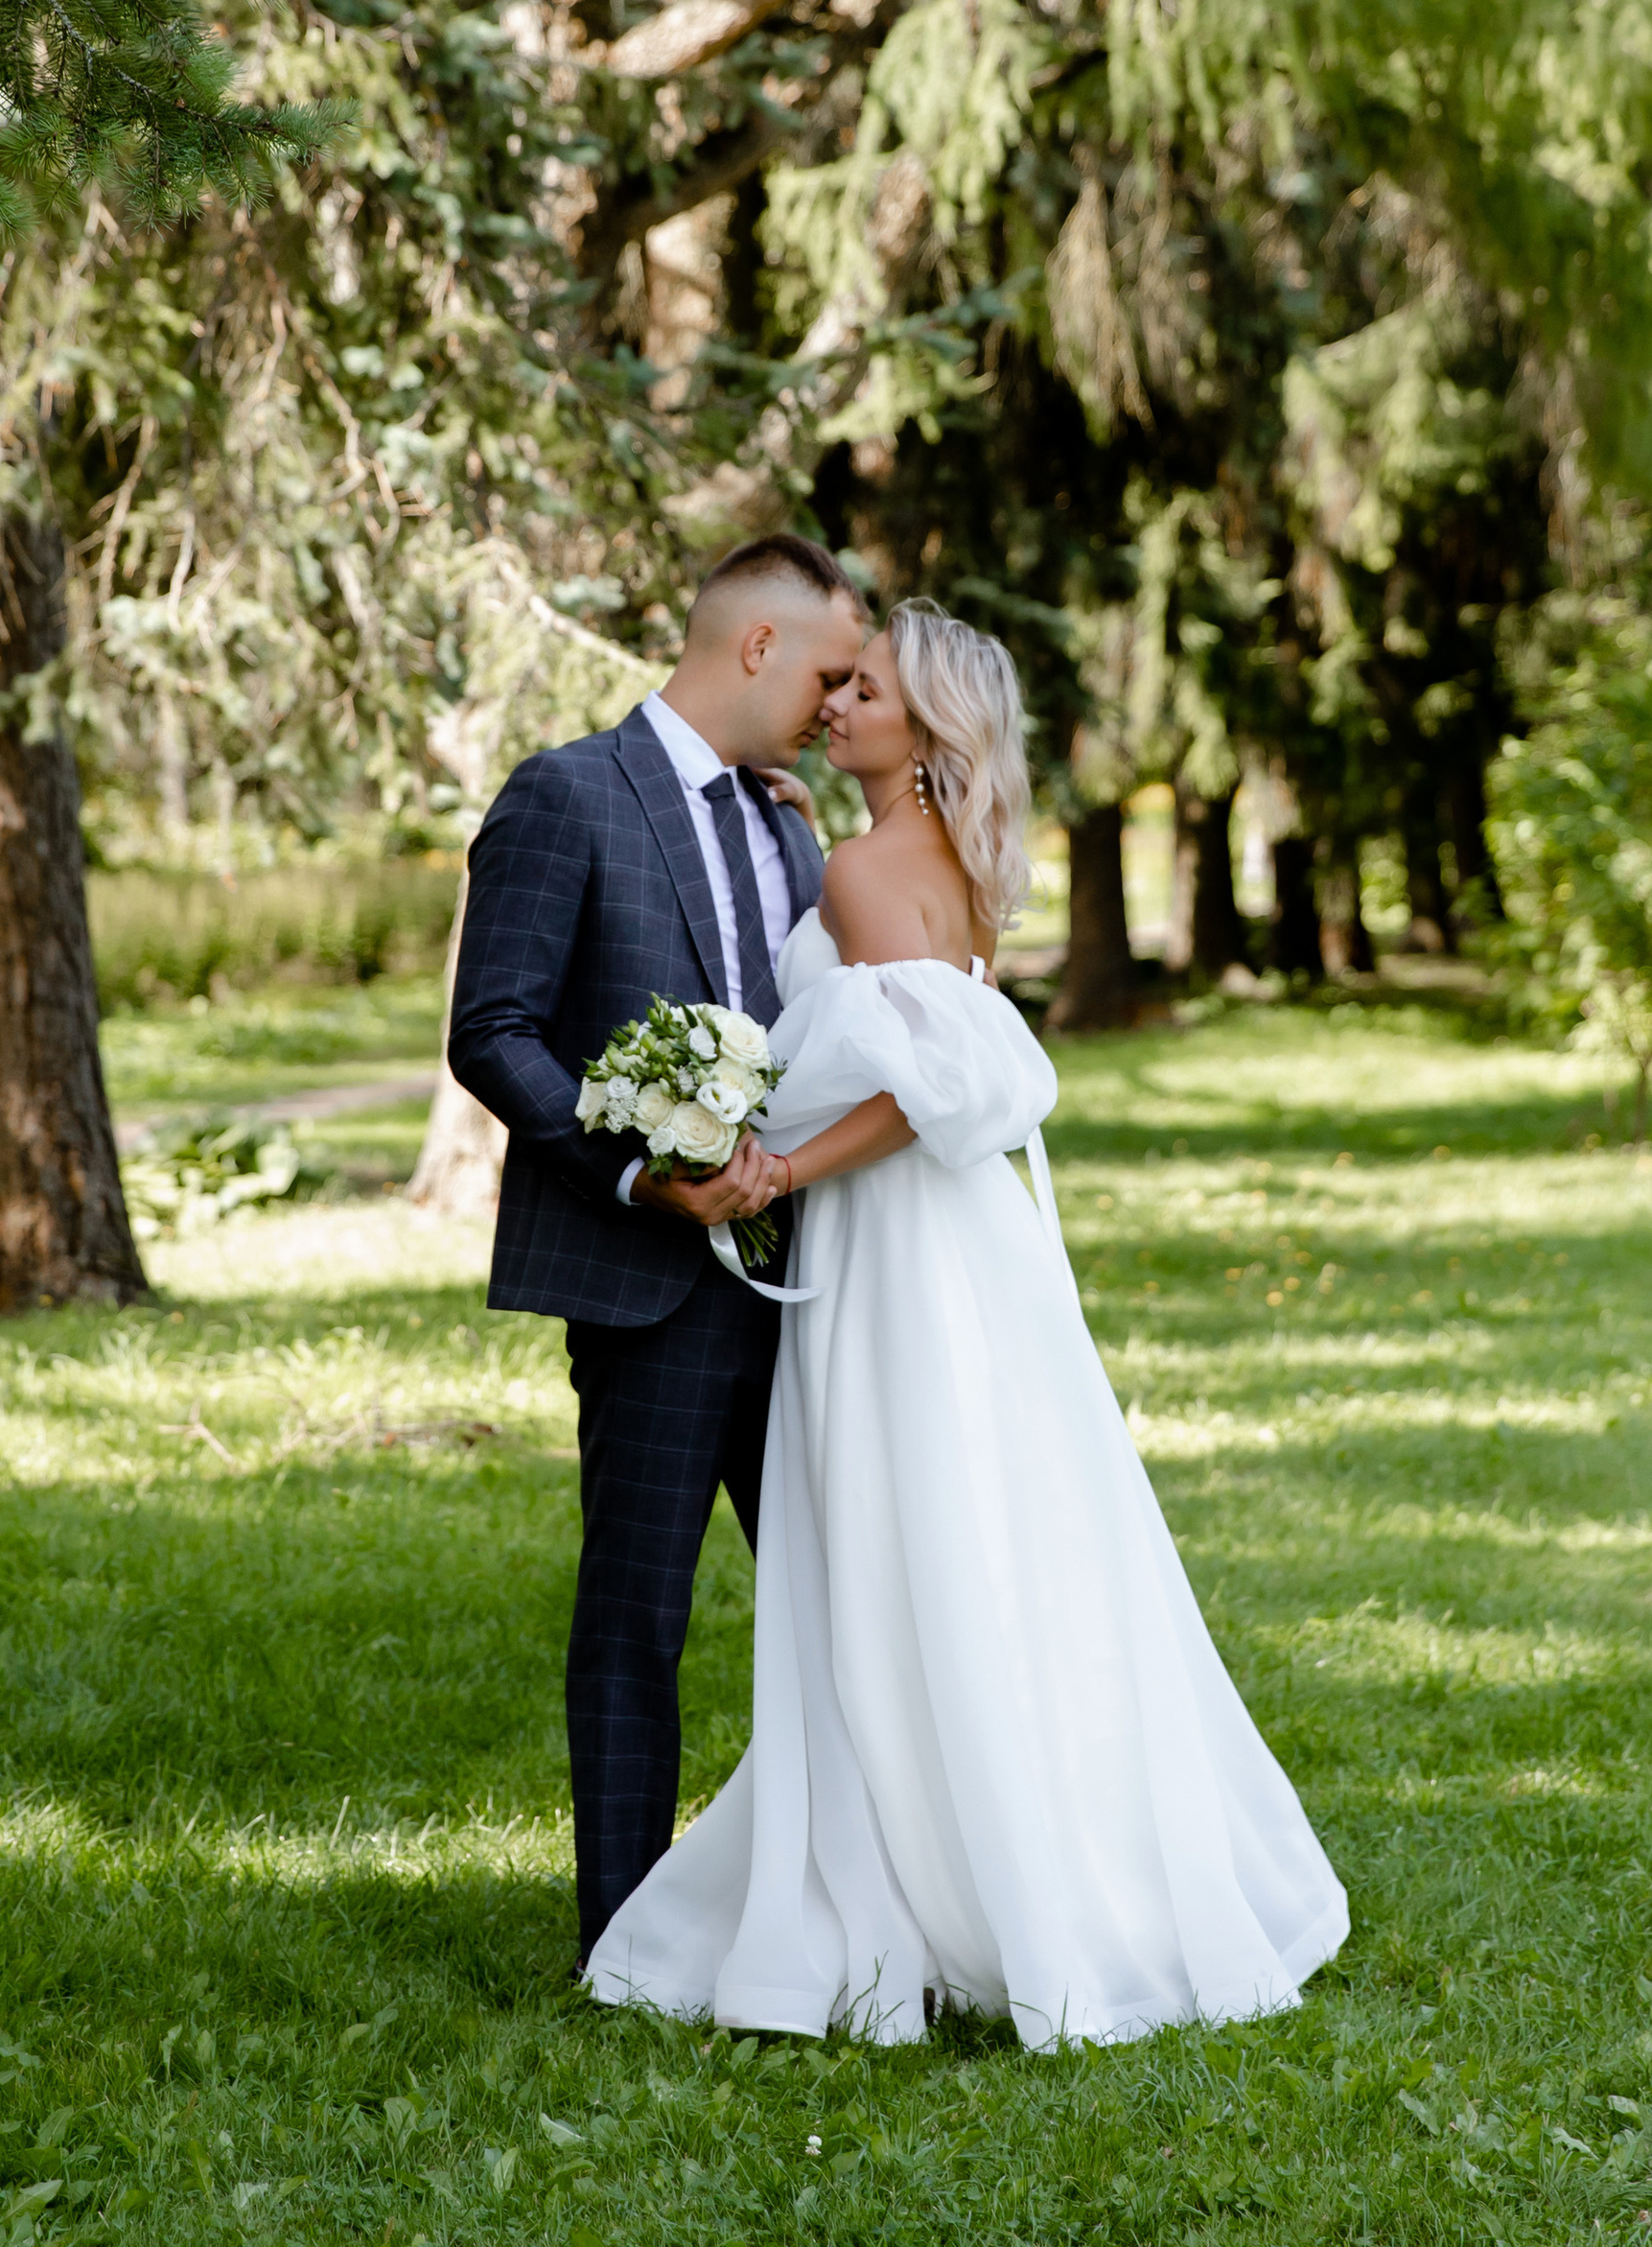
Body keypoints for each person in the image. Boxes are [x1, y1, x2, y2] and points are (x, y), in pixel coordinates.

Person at [586, 600, 1349, 2048]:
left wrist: (779, 1171)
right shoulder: (947, 865)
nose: (834, 702)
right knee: (994, 1534)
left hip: (894, 1250)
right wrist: (828, 844)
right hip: (972, 1240)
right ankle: (1021, 1857)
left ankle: (918, 1882)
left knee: (898, 1537)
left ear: (924, 731)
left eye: (861, 691)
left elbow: (912, 1090)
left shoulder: (872, 875)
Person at [449, 534, 868, 1969]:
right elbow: (492, 1032)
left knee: (847, 1606)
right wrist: (640, 1169)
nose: (834, 699)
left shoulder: (791, 823)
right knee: (640, 1616)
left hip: (815, 1282)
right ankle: (623, 1938)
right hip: (650, 1291)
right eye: (826, 670)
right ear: (755, 647)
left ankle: (853, 1913)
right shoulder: (568, 795)